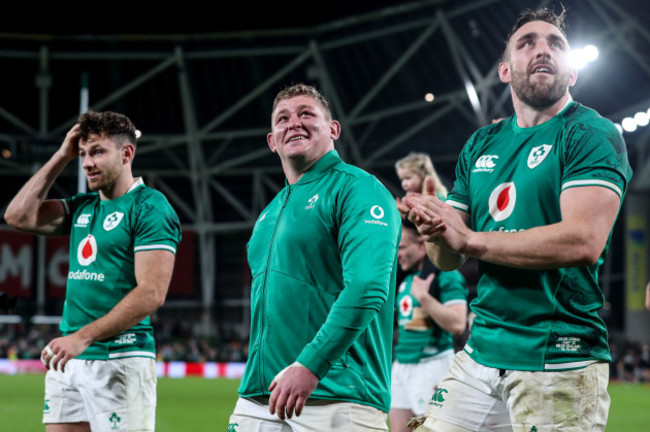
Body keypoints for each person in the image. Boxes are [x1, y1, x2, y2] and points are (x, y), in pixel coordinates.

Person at [398, 6, 632, 432]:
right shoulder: (481, 143)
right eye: (527, 43)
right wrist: (433, 228)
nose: (542, 50)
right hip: (480, 350)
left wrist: (468, 240)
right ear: (505, 71)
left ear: (571, 72)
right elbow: (447, 258)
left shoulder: (590, 133)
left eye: (555, 44)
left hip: (560, 355)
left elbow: (582, 242)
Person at [227, 83, 401, 431]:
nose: (294, 123)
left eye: (306, 114)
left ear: (333, 129)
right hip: (259, 397)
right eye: (283, 118)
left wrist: (310, 364)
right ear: (272, 141)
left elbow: (367, 286)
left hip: (336, 394)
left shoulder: (359, 189)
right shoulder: (269, 213)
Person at [4, 110, 181, 432]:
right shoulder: (83, 206)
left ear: (127, 153)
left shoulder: (150, 207)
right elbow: (17, 216)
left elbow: (152, 292)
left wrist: (81, 337)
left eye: (98, 151)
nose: (86, 163)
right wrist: (61, 155)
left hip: (120, 358)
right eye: (83, 153)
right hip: (69, 359)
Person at [390, 219, 468, 432]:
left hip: (433, 366)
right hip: (401, 366)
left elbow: (458, 324)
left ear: (422, 245)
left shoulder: (447, 275)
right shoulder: (407, 279)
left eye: (403, 247)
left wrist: (424, 297)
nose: (399, 254)